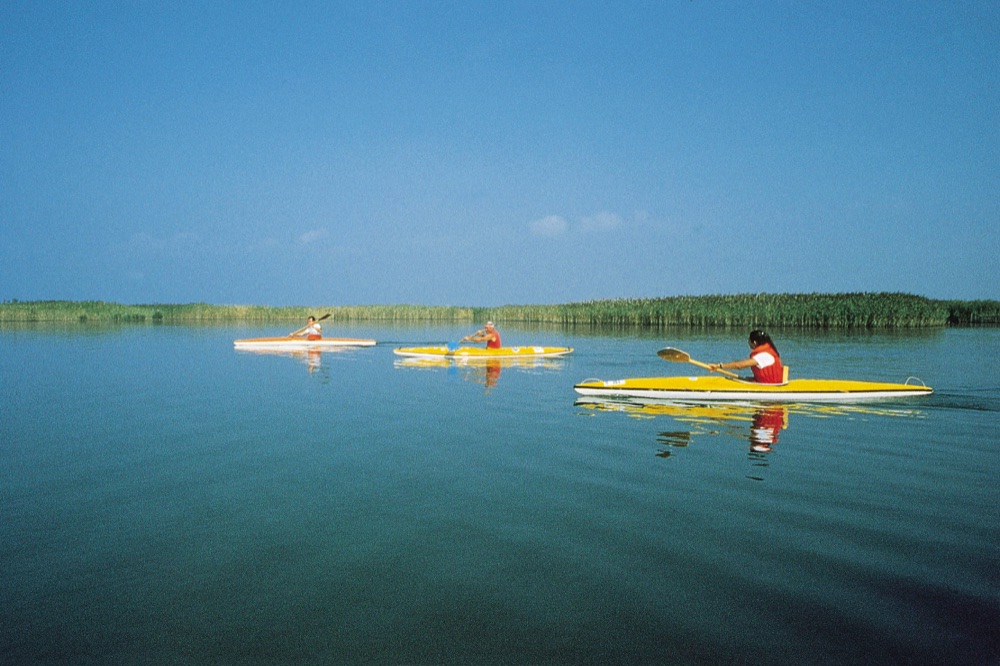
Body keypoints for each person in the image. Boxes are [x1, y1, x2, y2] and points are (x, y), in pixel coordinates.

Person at [709, 329, 784, 384]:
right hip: (767, 384)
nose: (748, 343)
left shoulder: (763, 355)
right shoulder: (769, 352)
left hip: (770, 386)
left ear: (754, 342)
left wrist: (719, 366)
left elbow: (739, 365)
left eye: (749, 341)